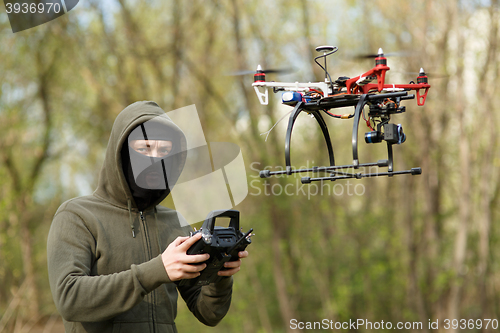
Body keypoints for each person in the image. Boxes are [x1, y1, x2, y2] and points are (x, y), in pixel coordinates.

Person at [47, 101, 248, 332]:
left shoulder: (174, 221)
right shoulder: (77, 216)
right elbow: (69, 298)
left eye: (164, 151)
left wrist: (219, 272)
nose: (156, 159)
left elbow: (208, 313)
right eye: (145, 148)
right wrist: (157, 270)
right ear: (121, 151)